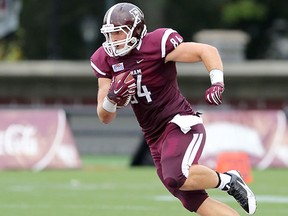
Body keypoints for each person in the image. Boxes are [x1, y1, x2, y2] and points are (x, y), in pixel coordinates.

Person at [90, 2, 257, 215]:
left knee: (176, 176)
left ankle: (228, 180)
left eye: (119, 34)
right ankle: (227, 182)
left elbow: (206, 50)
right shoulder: (104, 59)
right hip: (153, 136)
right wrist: (111, 98)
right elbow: (104, 116)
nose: (113, 41)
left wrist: (217, 82)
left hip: (179, 121)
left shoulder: (156, 43)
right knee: (192, 200)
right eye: (110, 35)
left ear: (137, 30)